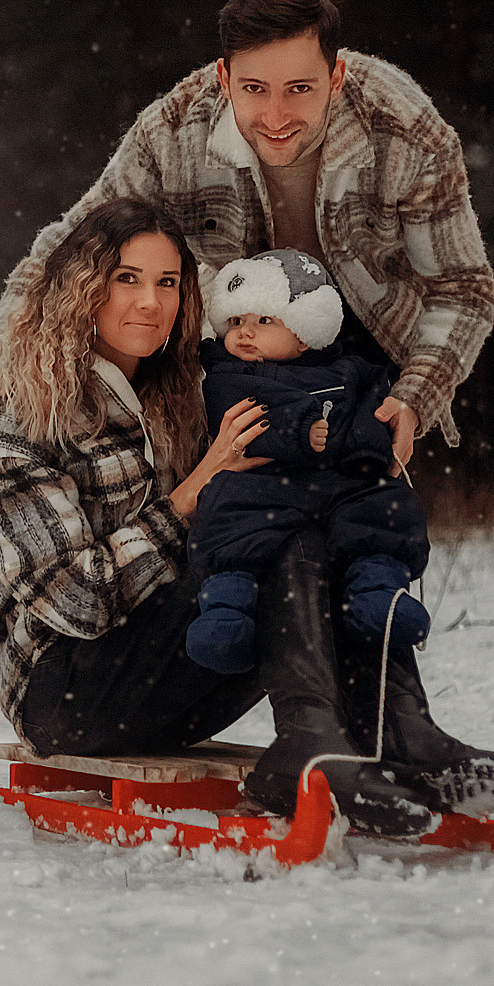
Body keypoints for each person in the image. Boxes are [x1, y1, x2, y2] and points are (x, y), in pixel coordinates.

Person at [0, 0, 494, 820]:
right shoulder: (170, 138)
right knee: (270, 526)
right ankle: (326, 740)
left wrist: (413, 394)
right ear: (222, 76)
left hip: (354, 351)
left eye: (300, 86)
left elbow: (465, 287)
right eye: (254, 87)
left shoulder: (401, 129)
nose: (277, 112)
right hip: (80, 669)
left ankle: (380, 730)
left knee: (324, 523)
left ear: (338, 76)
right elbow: (64, 252)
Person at [0, 197, 438, 836]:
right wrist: (190, 494)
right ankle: (320, 746)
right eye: (126, 278)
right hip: (68, 691)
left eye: (168, 282)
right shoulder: (26, 416)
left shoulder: (185, 396)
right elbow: (76, 601)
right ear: (83, 288)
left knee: (306, 518)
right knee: (273, 538)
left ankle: (397, 734)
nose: (150, 302)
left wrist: (377, 410)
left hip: (177, 679)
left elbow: (306, 348)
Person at [183, 248, 433, 677]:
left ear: (304, 331)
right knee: (226, 512)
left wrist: (368, 447)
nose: (244, 333)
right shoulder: (227, 372)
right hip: (263, 480)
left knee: (383, 506)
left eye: (264, 321)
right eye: (237, 321)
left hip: (336, 480)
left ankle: (378, 592)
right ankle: (227, 609)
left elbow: (374, 403)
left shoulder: (347, 370)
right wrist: (295, 427)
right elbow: (233, 410)